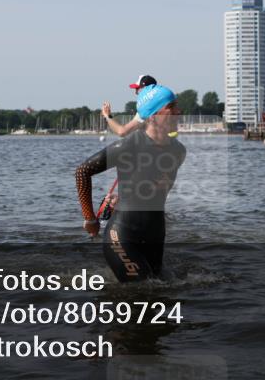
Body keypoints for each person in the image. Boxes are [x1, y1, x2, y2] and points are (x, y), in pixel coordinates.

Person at [76, 84, 186, 282]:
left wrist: (125, 196)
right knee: (144, 288)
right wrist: (90, 219)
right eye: (171, 107)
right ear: (153, 116)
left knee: (159, 291)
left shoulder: (178, 151)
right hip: (123, 234)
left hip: (155, 234)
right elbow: (82, 171)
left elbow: (151, 188)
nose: (179, 111)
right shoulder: (129, 145)